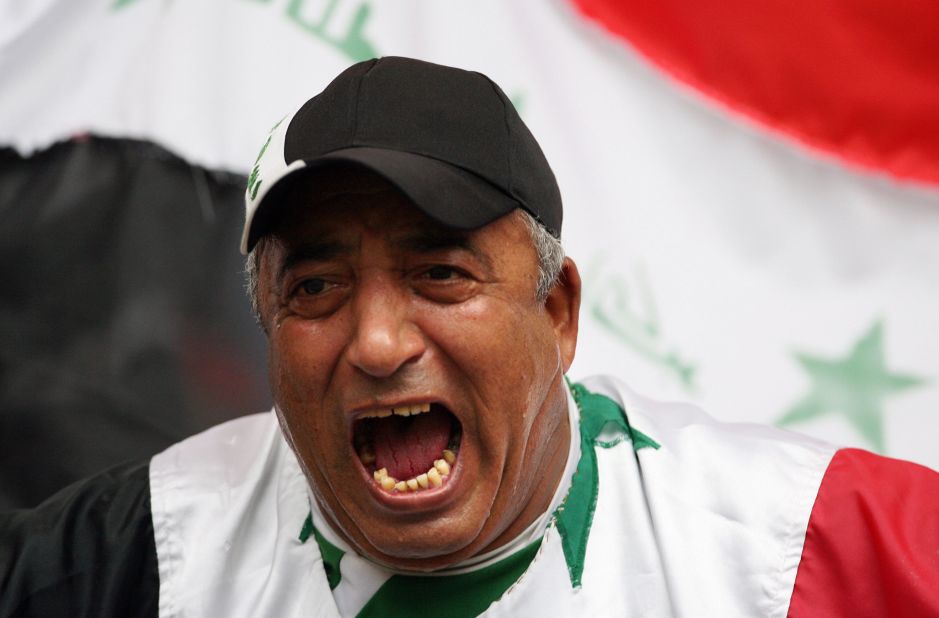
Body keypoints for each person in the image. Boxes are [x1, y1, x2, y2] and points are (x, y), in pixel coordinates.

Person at [2, 56, 939, 617]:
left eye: (438, 275)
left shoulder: (791, 547)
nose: (374, 342)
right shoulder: (137, 556)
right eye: (316, 287)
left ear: (557, 312)